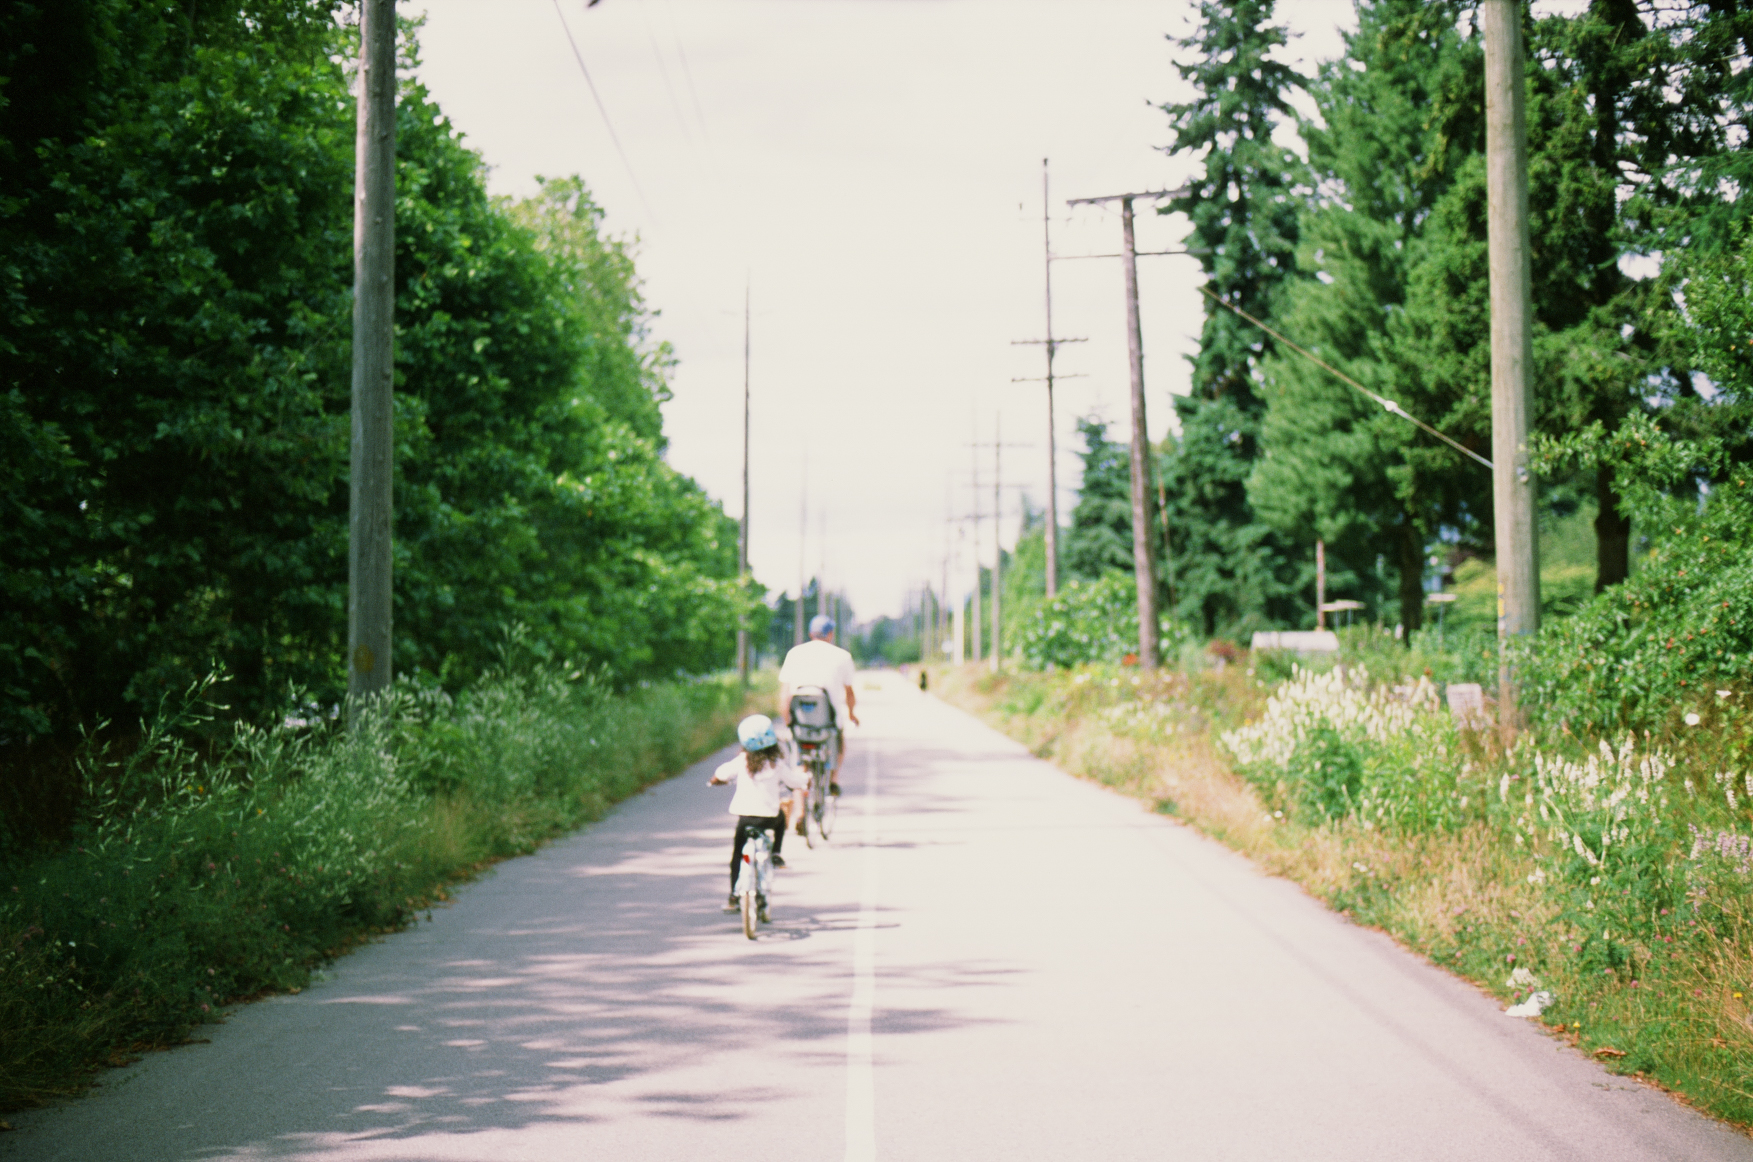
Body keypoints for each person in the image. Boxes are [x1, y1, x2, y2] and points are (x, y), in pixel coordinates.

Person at [709, 715, 806, 916]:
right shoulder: (776, 763)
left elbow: (722, 773)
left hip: (745, 819)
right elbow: (794, 781)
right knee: (780, 820)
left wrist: (716, 779)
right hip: (768, 817)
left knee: (737, 854)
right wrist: (805, 782)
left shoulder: (742, 761)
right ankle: (777, 853)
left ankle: (734, 896)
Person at [779, 614, 860, 823]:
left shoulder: (794, 653)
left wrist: (788, 722)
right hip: (829, 724)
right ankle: (833, 778)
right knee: (839, 746)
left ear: (810, 634)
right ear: (830, 634)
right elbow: (849, 692)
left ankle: (799, 812)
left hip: (801, 724)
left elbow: (785, 694)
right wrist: (851, 714)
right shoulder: (842, 656)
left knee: (799, 765)